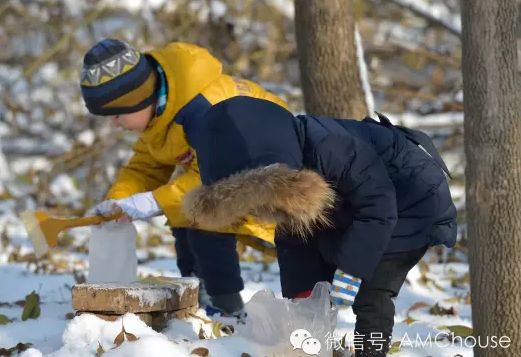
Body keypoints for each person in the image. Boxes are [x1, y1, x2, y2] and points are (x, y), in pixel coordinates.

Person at [178, 96, 458, 357]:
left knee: (372, 292)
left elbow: (378, 204)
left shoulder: (329, 147)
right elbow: (294, 238)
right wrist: (302, 296)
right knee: (317, 278)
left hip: (411, 199)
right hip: (355, 209)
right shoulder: (286, 173)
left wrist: (351, 270)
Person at [80, 39, 289, 321]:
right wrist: (120, 199)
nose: (114, 124)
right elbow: (145, 167)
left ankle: (224, 304)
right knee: (184, 212)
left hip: (276, 175)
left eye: (117, 115)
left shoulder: (205, 109)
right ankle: (196, 289)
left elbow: (219, 175)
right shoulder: (161, 115)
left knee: (205, 214)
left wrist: (153, 200)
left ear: (138, 99)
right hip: (229, 177)